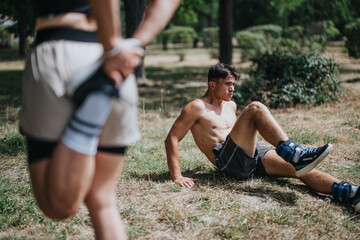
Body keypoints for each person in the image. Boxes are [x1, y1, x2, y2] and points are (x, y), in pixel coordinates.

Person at [20, 0, 181, 239]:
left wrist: (111, 45)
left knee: (56, 206)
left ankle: (90, 112)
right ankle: (98, 98)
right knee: (102, 199)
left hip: (66, 52)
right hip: (120, 67)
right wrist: (136, 43)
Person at [165, 63, 360, 213]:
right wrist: (177, 175)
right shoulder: (197, 107)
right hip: (229, 162)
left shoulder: (230, 106)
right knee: (255, 108)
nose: (232, 89)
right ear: (212, 84)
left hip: (251, 153)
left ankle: (351, 193)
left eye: (234, 84)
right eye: (228, 84)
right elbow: (172, 137)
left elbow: (241, 135)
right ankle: (296, 152)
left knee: (298, 169)